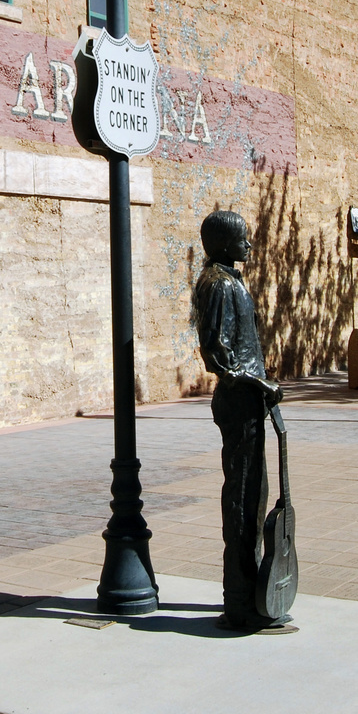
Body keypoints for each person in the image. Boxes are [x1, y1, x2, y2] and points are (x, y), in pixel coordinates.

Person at [192, 210, 286, 631]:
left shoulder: (229, 280)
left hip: (250, 402)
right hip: (240, 403)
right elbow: (219, 358)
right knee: (244, 499)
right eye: (242, 239)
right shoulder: (219, 285)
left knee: (255, 494)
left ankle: (249, 594)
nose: (249, 245)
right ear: (224, 244)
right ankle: (240, 602)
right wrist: (261, 386)